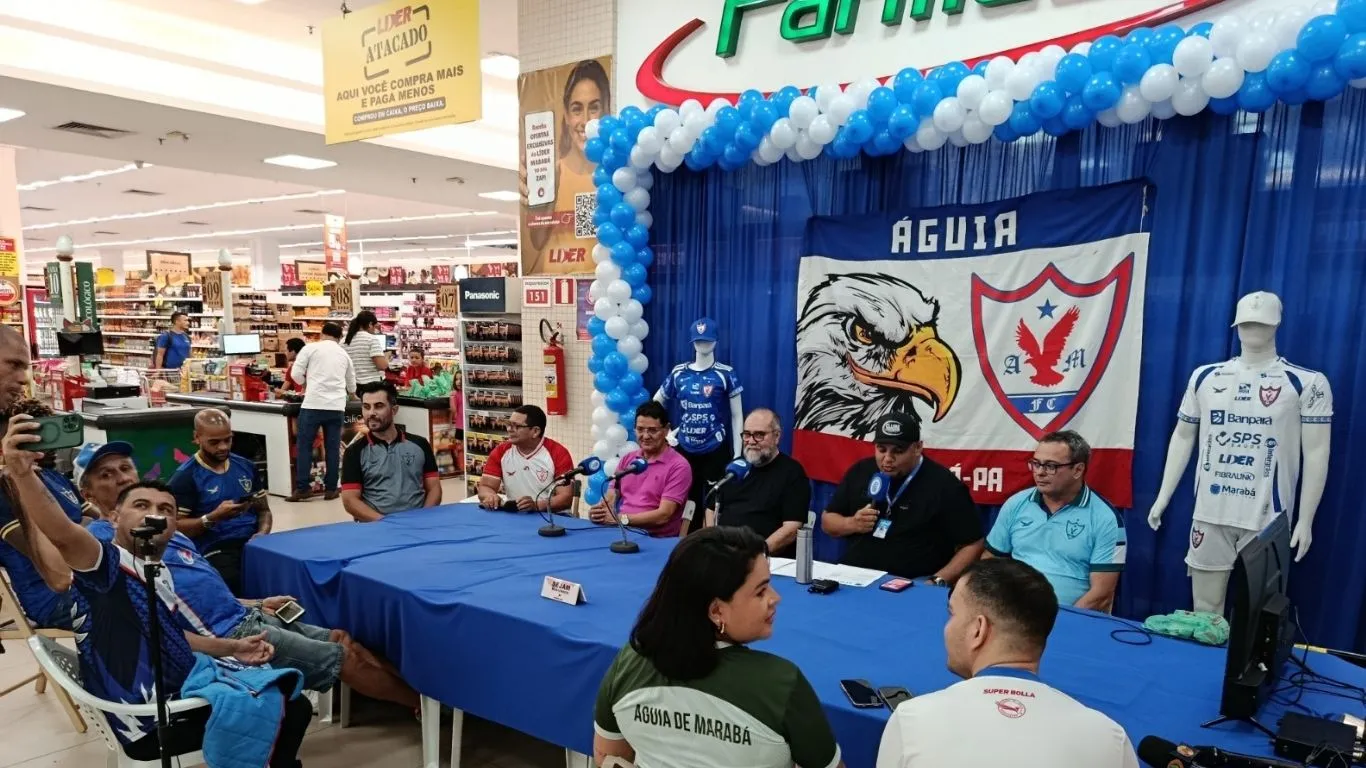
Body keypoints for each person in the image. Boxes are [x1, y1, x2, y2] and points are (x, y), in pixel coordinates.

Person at [9, 459, 313, 766]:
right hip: (148, 723)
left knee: (279, 690)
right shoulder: (105, 565)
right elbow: (63, 534)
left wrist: (232, 647)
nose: (154, 514)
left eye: (166, 510)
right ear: (114, 517)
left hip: (172, 691)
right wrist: (21, 473)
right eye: (141, 505)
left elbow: (167, 632)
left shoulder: (157, 570)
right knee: (291, 707)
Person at [594, 526, 843, 768]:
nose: (775, 598)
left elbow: (608, 757)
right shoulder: (782, 684)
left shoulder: (630, 661)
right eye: (760, 591)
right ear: (716, 611)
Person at [875, 559, 1139, 768]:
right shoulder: (1108, 737)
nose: (947, 627)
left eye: (952, 614)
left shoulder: (913, 720)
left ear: (978, 630)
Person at [822, 412, 984, 582]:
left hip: (913, 583)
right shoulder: (860, 471)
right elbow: (828, 522)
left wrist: (936, 581)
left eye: (898, 451)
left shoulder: (945, 485)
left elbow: (973, 544)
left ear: (917, 448)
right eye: (881, 449)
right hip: (856, 575)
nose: (888, 459)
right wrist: (852, 523)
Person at [984, 431, 1125, 612]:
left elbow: (1102, 595)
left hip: (1071, 618)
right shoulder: (1016, 503)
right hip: (1014, 614)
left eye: (1050, 466)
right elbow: (990, 560)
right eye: (1036, 464)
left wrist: (1062, 622)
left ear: (1078, 470)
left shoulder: (1106, 519)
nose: (1040, 473)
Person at [166, 409, 272, 596]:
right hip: (216, 547)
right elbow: (174, 527)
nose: (223, 447)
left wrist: (262, 533)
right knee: (233, 580)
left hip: (254, 543)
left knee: (285, 571)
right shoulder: (186, 477)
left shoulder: (246, 467)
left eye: (228, 440)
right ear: (197, 438)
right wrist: (212, 518)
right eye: (214, 442)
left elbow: (264, 510)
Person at [521, 59, 610, 275]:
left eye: (594, 108)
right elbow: (537, 240)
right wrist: (537, 204)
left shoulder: (611, 179)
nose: (586, 121)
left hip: (599, 293)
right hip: (553, 293)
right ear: (567, 115)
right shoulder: (553, 173)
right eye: (577, 109)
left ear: (606, 110)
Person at [0, 405, 86, 629]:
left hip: (87, 577)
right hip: (51, 600)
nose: (51, 443)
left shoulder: (54, 477)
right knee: (139, 606)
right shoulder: (5, 489)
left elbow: (96, 521)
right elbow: (58, 571)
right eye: (38, 436)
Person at [710, 408, 810, 557]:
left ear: (777, 437)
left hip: (765, 558)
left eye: (759, 435)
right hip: (724, 555)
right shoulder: (735, 468)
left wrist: (757, 554)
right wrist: (713, 543)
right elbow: (711, 508)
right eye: (747, 434)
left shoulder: (792, 473)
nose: (750, 441)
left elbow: (792, 527)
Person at [340, 381, 442, 520]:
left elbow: (434, 488)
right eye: (366, 407)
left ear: (394, 410)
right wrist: (385, 523)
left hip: (418, 524)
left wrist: (423, 518)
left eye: (379, 406)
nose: (371, 413)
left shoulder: (420, 444)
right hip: (377, 528)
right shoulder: (354, 452)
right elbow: (350, 501)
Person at [588, 401, 692, 537]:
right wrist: (600, 512)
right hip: (620, 532)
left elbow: (663, 515)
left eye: (652, 430)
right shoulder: (628, 459)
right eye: (640, 429)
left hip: (655, 539)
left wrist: (621, 519)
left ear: (666, 430)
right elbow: (612, 493)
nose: (645, 436)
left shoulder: (679, 466)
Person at [288, 321, 355, 502]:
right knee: (332, 448)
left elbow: (295, 375)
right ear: (339, 337)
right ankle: (331, 489)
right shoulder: (344, 354)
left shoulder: (310, 349)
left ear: (322, 333)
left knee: (305, 446)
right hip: (336, 407)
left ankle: (303, 488)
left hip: (313, 404)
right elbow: (351, 384)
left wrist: (306, 384)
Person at [476, 404, 574, 513]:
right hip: (516, 516)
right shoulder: (501, 451)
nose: (509, 429)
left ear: (535, 431)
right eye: (508, 424)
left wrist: (536, 505)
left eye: (516, 426)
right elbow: (485, 486)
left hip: (553, 519)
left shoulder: (558, 453)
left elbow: (566, 498)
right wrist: (490, 496)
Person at [344, 310, 388, 386]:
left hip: (351, 385)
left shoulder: (344, 340)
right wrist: (387, 356)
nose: (375, 330)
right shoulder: (371, 339)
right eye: (375, 326)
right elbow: (382, 366)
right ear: (370, 324)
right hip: (371, 385)